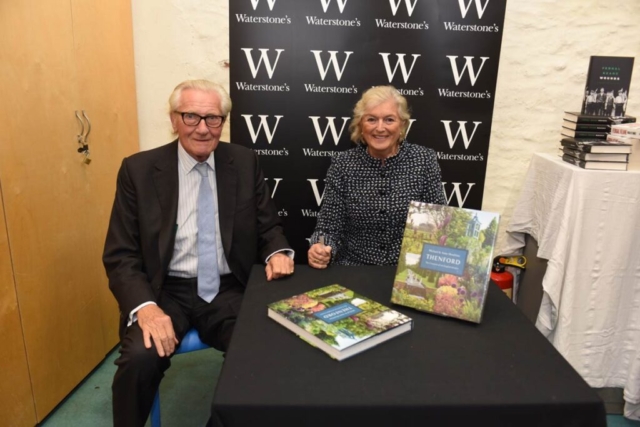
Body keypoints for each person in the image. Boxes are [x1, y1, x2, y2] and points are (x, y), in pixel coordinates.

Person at [103, 79, 294, 427]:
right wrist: (145, 308)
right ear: (174, 119)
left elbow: (269, 228)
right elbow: (121, 255)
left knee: (264, 351)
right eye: (191, 117)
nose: (203, 129)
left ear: (223, 121)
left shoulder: (244, 162)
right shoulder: (139, 170)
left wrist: (277, 252)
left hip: (227, 288)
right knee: (138, 359)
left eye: (213, 118)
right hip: (164, 291)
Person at [307, 85, 445, 269]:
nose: (380, 128)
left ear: (402, 125)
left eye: (389, 119)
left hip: (407, 273)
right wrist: (321, 247)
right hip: (353, 269)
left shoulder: (424, 160)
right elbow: (329, 225)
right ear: (361, 125)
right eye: (371, 119)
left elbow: (439, 223)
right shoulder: (343, 164)